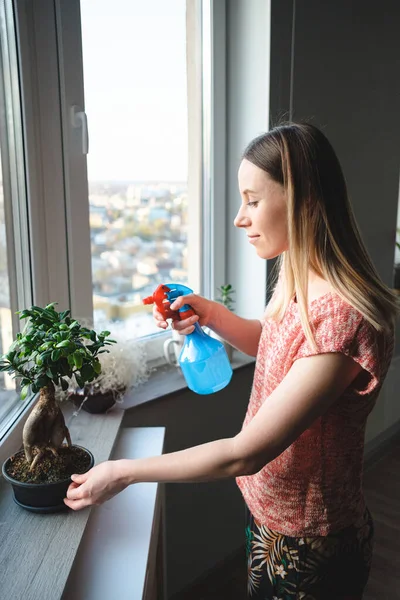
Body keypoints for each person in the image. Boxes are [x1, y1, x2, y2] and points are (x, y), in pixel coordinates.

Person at [64, 122, 398, 599]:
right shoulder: (298, 277)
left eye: (253, 200)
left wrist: (121, 472)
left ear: (304, 200)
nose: (241, 218)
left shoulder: (343, 317)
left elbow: (246, 452)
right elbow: (281, 351)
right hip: (270, 518)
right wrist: (214, 314)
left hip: (308, 542)